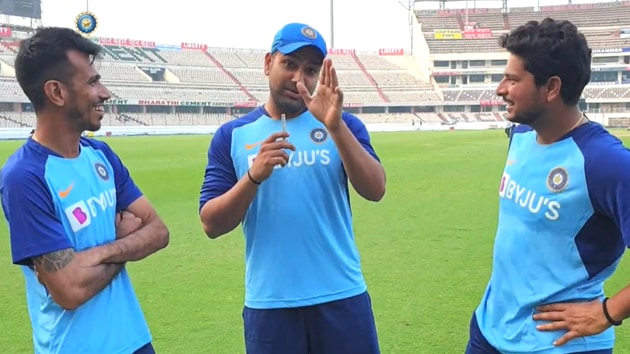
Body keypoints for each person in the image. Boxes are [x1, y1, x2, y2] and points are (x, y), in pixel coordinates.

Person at [198, 22, 386, 354]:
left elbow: (375, 189)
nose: (300, 77)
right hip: (271, 304)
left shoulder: (342, 124)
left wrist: (336, 127)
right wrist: (253, 176)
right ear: (269, 63)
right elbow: (211, 223)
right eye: (290, 64)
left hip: (341, 295)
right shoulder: (233, 135)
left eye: (311, 69)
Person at [0, 27, 169, 354]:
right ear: (57, 93)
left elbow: (159, 232)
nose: (104, 92)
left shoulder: (101, 155)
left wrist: (98, 254)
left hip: (134, 340)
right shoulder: (25, 177)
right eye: (92, 82)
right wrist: (122, 242)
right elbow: (69, 290)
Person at [466, 18, 630, 354]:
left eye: (513, 79)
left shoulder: (606, 163)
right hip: (489, 330)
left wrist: (607, 312)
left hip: (558, 344)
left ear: (551, 88)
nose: (500, 89)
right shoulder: (522, 134)